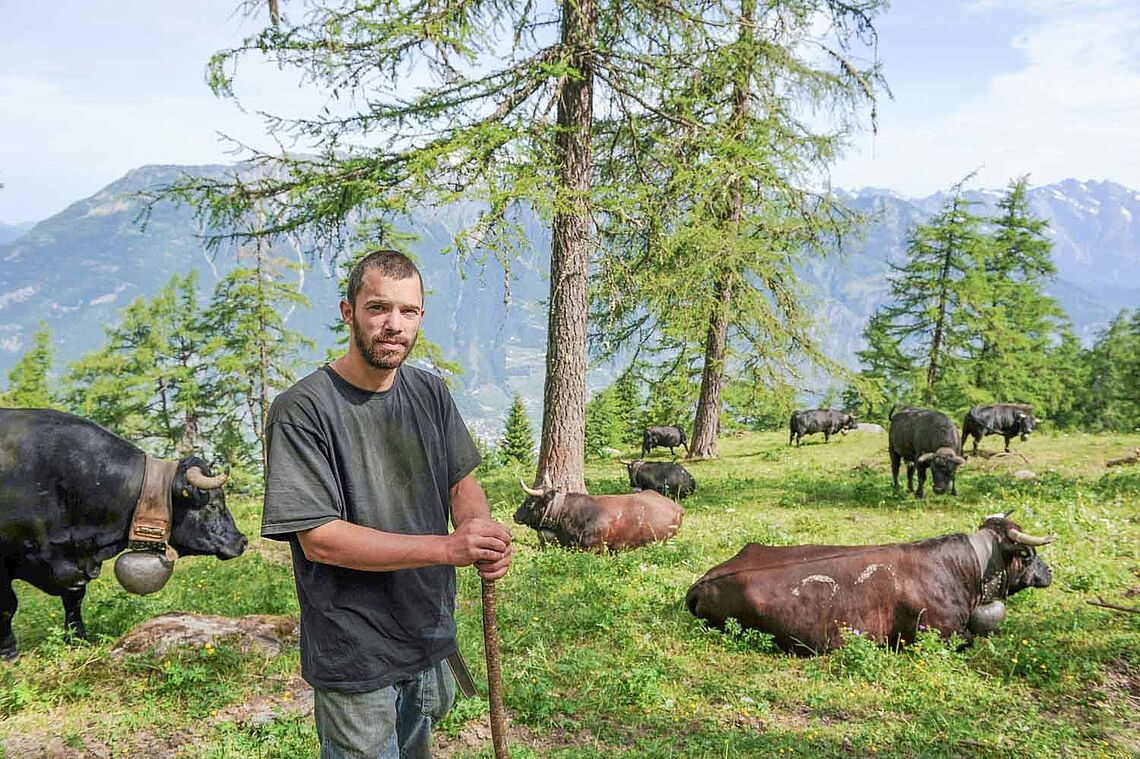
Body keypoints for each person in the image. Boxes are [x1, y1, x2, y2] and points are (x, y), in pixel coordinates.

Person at [262, 249, 513, 758]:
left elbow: (460, 483)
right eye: (378, 308)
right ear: (347, 311)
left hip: (426, 636)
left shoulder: (430, 392)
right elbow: (321, 541)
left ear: (421, 317)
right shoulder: (303, 410)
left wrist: (479, 531)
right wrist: (448, 548)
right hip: (354, 652)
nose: (393, 325)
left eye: (408, 311)